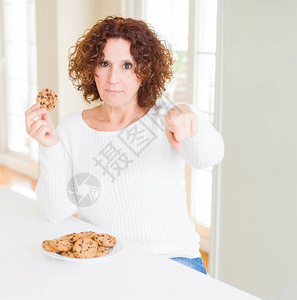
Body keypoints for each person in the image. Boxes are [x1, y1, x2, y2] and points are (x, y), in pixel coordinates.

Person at [25, 16, 224, 275]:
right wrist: (50, 147)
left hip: (172, 260)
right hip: (104, 261)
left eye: (127, 65)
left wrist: (191, 119)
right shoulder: (72, 129)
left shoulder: (167, 115)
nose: (113, 78)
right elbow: (55, 211)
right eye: (104, 63)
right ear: (91, 69)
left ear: (145, 71)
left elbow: (210, 156)